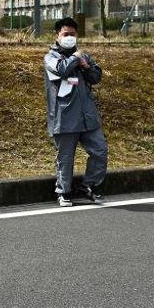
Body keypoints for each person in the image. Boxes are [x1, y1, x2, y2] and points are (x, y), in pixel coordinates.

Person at [43, 17, 108, 207]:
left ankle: (89, 186)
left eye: (72, 34)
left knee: (100, 151)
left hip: (87, 116)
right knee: (65, 158)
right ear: (57, 36)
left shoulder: (83, 56)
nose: (70, 37)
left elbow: (96, 77)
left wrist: (87, 66)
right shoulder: (51, 57)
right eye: (66, 34)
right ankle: (63, 191)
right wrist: (75, 58)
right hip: (64, 117)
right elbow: (61, 70)